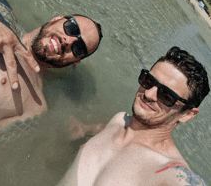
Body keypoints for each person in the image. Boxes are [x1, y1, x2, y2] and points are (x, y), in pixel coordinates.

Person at [58, 47, 209, 185]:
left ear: (188, 114)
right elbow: (100, 128)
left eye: (166, 95)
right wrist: (83, 129)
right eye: (148, 81)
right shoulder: (118, 121)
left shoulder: (171, 172)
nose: (148, 94)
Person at [0, 0, 103, 133]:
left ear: (75, 62)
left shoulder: (34, 106)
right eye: (72, 28)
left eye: (79, 47)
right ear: (56, 19)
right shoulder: (1, 10)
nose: (68, 40)